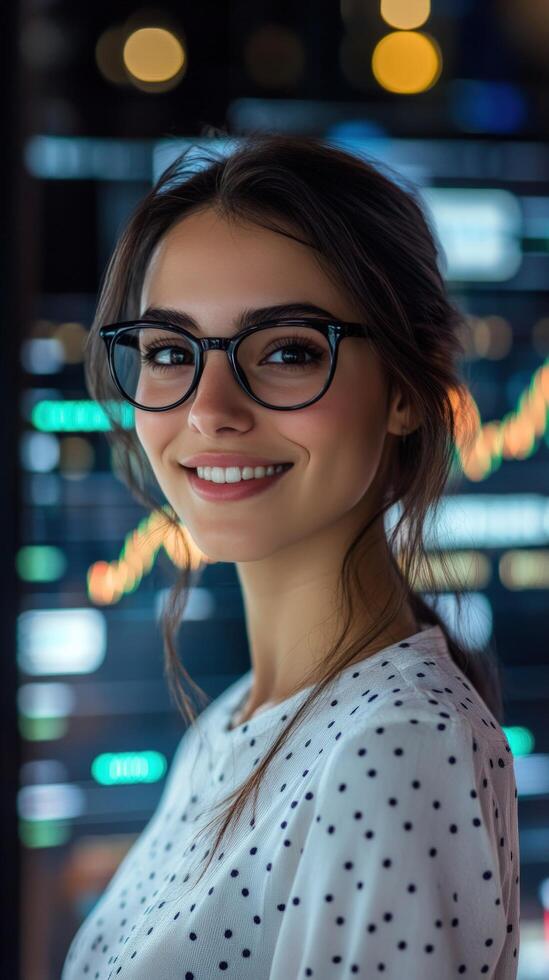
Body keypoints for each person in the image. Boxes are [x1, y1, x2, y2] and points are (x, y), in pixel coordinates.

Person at [61, 134, 519, 979]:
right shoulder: (228, 726)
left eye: (286, 352)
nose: (209, 410)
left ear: (407, 397)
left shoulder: (395, 743)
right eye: (169, 351)